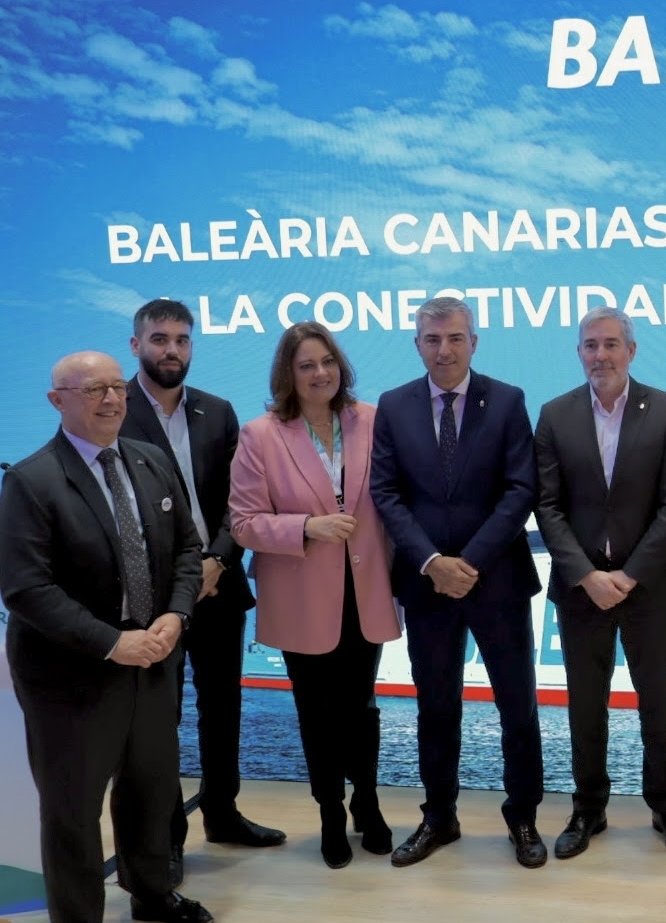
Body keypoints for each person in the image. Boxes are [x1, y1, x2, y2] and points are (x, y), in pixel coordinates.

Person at [0, 351, 211, 923]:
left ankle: (152, 895)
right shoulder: (31, 480)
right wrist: (113, 643)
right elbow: (25, 589)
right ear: (57, 401)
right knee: (72, 809)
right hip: (71, 674)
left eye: (117, 387)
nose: (112, 399)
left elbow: (187, 550)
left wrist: (176, 615)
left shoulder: (149, 460)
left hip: (154, 660)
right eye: (94, 390)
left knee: (151, 791)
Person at [370, 296, 546, 869]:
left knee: (517, 707)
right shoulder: (393, 405)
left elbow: (521, 489)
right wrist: (431, 562)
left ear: (474, 342)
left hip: (497, 579)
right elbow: (386, 493)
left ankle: (523, 818)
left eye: (454, 338)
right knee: (436, 707)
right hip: (427, 584)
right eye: (432, 339)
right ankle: (439, 818)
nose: (443, 350)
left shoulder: (508, 400)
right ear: (417, 344)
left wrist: (468, 561)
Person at [121, 299, 285, 878]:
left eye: (182, 340)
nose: (172, 350)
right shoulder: (113, 411)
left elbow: (242, 500)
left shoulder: (217, 411)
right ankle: (166, 835)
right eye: (160, 339)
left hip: (219, 584)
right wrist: (184, 576)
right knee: (158, 718)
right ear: (136, 344)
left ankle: (223, 814)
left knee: (222, 707)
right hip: (152, 598)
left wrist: (217, 560)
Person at [229, 322, 402, 868]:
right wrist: (306, 527)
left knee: (362, 709)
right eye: (307, 365)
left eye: (327, 361)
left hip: (366, 590)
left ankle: (367, 802)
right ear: (288, 374)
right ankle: (330, 812)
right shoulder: (260, 435)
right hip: (301, 597)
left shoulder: (373, 419)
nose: (320, 373)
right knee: (317, 713)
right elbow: (243, 523)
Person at [534, 306, 666, 857]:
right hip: (581, 592)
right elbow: (547, 505)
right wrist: (587, 575)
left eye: (610, 344)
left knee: (659, 705)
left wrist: (628, 575)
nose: (600, 355)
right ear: (579, 352)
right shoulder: (555, 414)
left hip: (649, 587)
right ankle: (588, 808)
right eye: (590, 345)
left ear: (631, 350)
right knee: (586, 707)